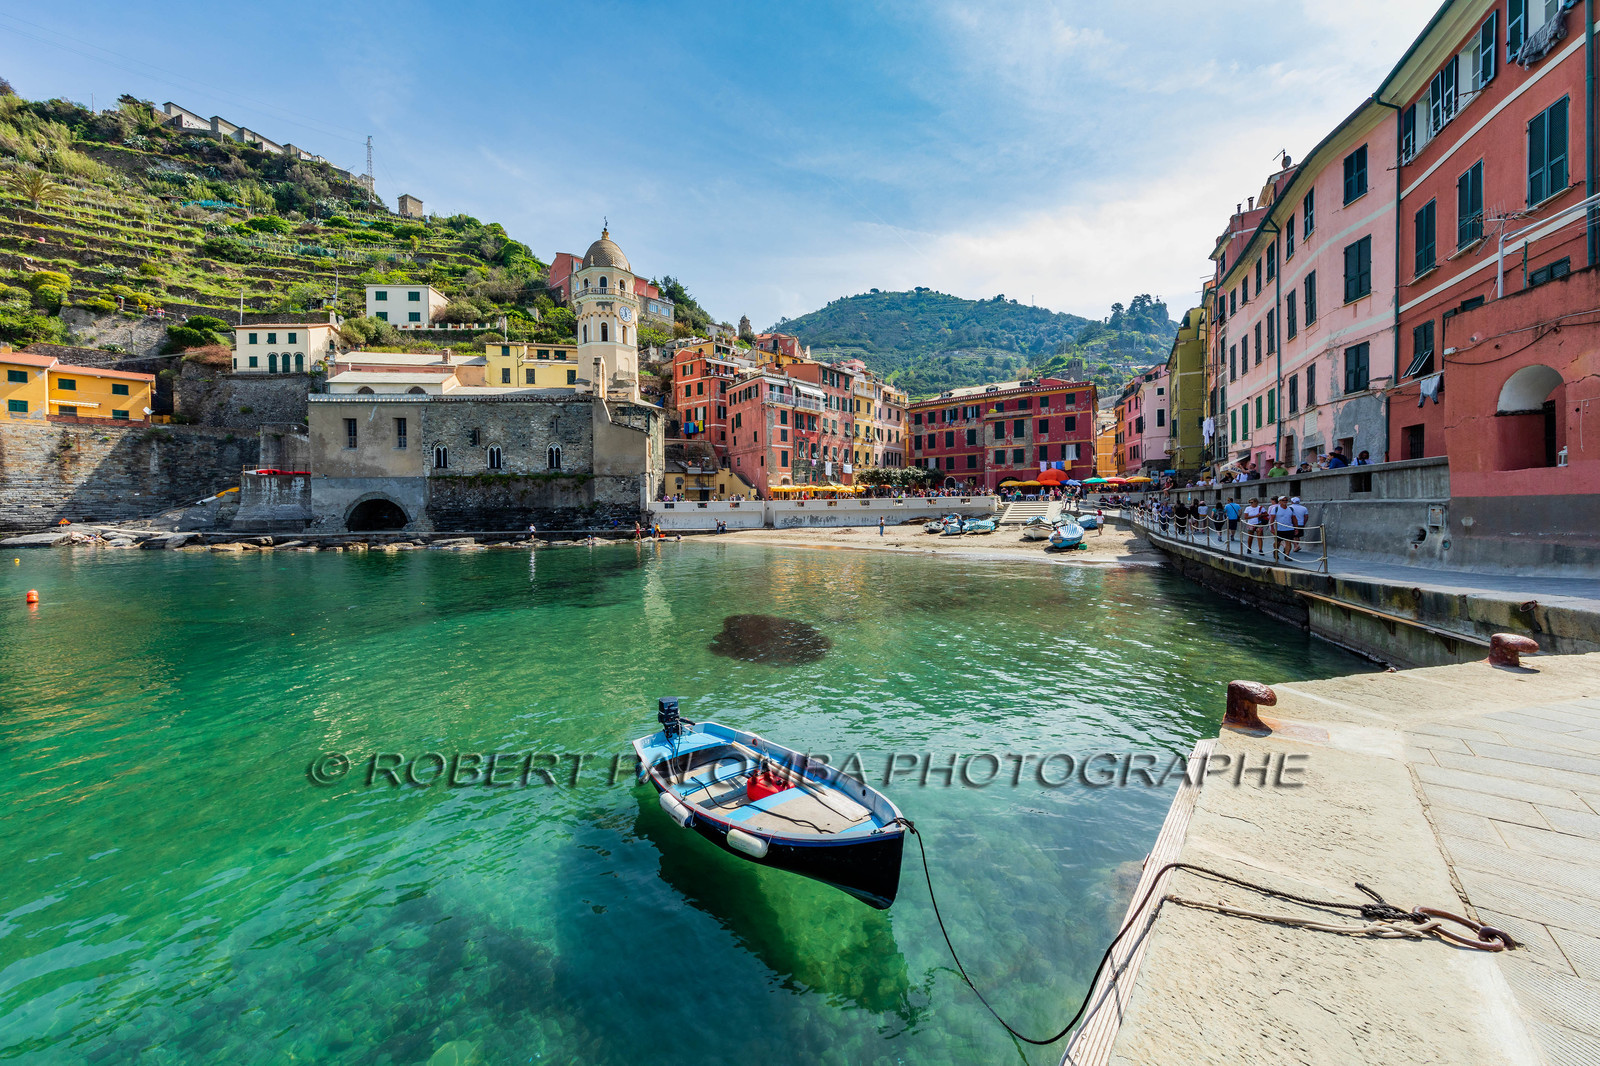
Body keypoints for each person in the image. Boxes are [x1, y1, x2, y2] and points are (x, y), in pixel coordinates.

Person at [1273, 495, 1297, 562]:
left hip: (1289, 528)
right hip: (1279, 529)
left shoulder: (1291, 509)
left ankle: (1287, 555)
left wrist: (1296, 528)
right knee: (1277, 542)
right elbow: (1272, 519)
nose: (1285, 501)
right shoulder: (1275, 509)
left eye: (1286, 500)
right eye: (1283, 500)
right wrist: (1272, 528)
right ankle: (1275, 551)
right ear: (1279, 501)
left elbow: (1294, 519)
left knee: (1288, 542)